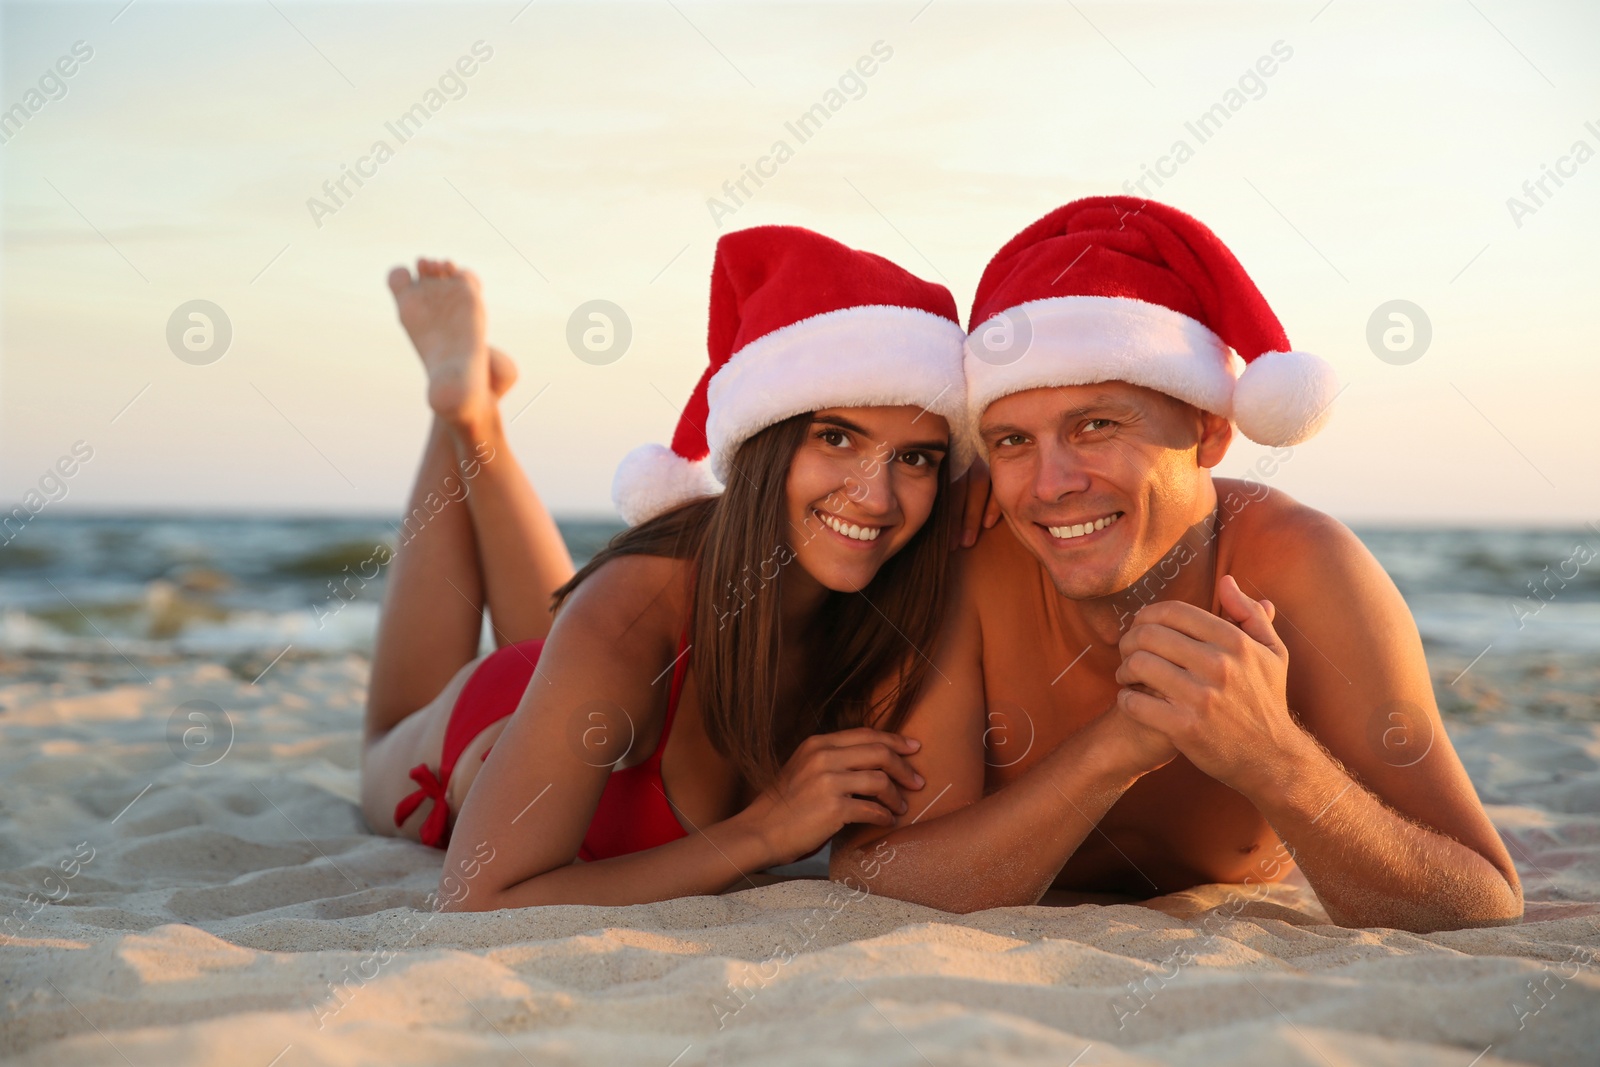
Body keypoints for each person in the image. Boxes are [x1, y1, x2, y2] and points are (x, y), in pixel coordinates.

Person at [831, 197, 1523, 933]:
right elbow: (872, 872)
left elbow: (1483, 901)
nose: (1051, 483)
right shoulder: (965, 562)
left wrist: (1276, 759)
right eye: (1010, 441)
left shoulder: (1304, 568)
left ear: (1211, 429)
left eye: (1096, 425)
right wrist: (1111, 752)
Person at [359, 225, 975, 908]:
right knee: (387, 729)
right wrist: (765, 833)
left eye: (916, 456)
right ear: (761, 444)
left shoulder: (902, 592)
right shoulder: (632, 613)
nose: (878, 495)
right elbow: (475, 897)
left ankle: (477, 411)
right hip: (493, 721)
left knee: (590, 628)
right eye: (835, 437)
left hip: (593, 680)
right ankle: (464, 420)